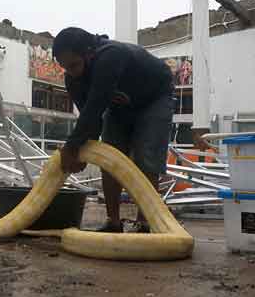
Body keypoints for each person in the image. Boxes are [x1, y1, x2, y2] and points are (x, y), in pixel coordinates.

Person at [53, 28, 175, 233]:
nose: (71, 72)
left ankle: (146, 223)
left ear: (89, 53)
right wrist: (82, 148)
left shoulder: (111, 55)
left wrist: (72, 146)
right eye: (66, 67)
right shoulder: (72, 79)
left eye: (74, 64)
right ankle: (113, 222)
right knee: (109, 159)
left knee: (147, 159)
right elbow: (90, 118)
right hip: (120, 107)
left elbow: (95, 106)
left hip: (154, 99)